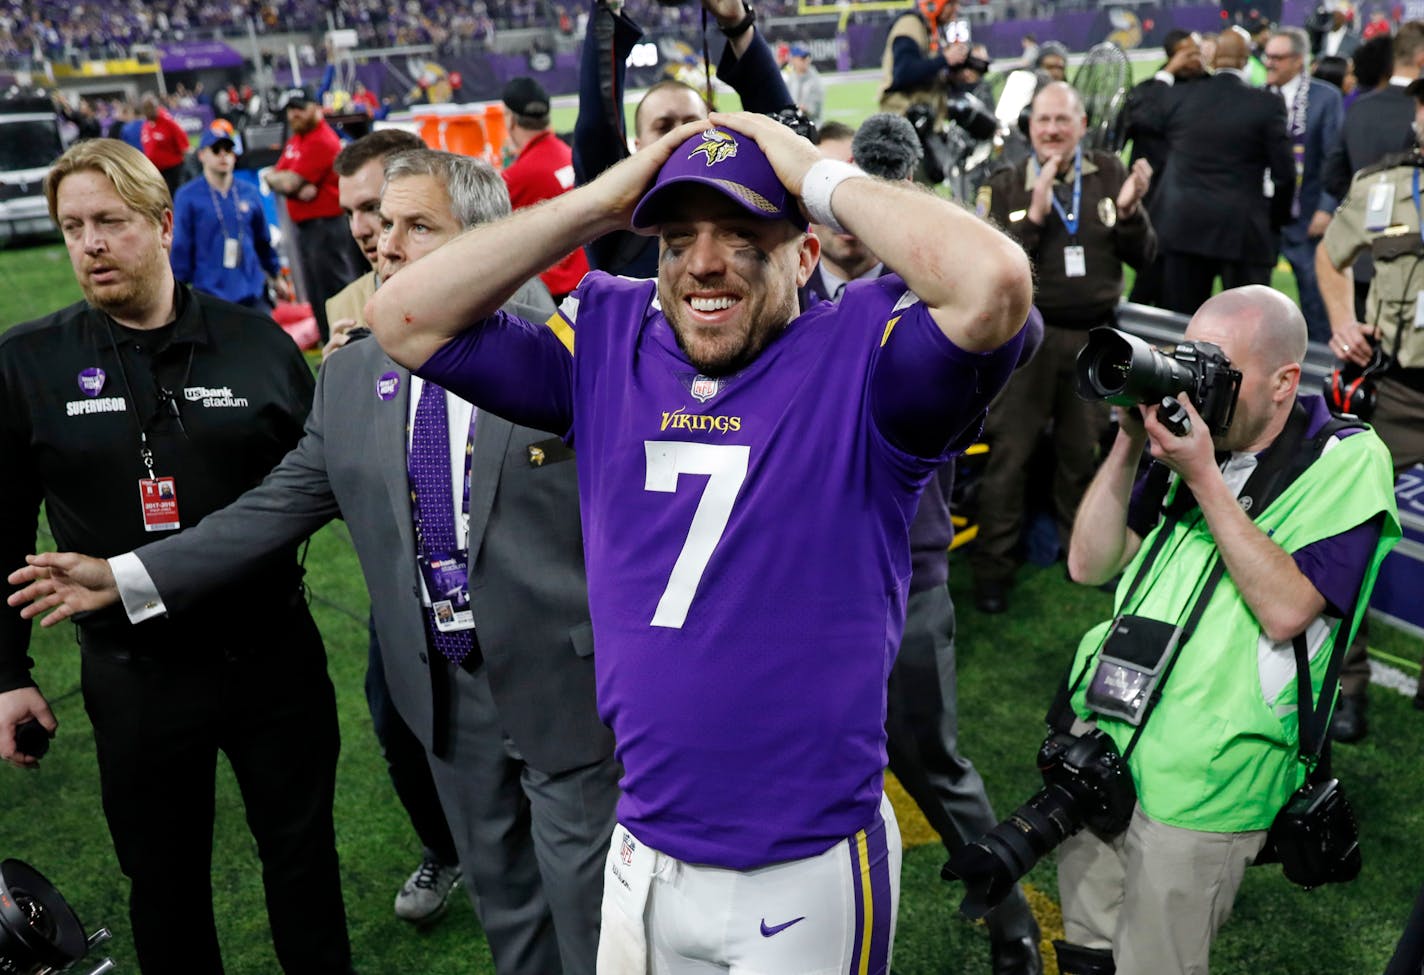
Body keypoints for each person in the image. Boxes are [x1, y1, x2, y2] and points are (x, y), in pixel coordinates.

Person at [364, 111, 1032, 974]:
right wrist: (597, 203)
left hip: (804, 863)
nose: (703, 263)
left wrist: (814, 174)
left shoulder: (865, 356)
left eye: (743, 236)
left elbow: (994, 282)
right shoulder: (611, 338)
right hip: (642, 846)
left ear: (804, 252)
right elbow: (404, 318)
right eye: (677, 239)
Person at [9, 149, 619, 975]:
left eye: (416, 226)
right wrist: (124, 575)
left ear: (486, 238)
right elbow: (273, 507)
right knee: (509, 913)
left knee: (600, 926)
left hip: (570, 691)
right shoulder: (356, 369)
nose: (383, 243)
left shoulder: (579, 344)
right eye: (380, 223)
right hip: (445, 695)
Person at [0, 138, 352, 974]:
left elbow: (322, 481)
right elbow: (2, 526)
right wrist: (8, 671)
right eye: (72, 226)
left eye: (110, 222)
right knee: (163, 881)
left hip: (274, 656)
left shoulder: (256, 343)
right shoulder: (26, 362)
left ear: (162, 224)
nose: (89, 243)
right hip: (135, 672)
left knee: (304, 865)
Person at [1056, 286, 1398, 975]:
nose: (1194, 384)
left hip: (1210, 783)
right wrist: (1128, 443)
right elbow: (1088, 563)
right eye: (1189, 362)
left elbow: (1288, 608)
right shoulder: (1188, 444)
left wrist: (1205, 476)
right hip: (1106, 739)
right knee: (1085, 951)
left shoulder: (1346, 459)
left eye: (1218, 369)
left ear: (1283, 382)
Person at [810, 113, 1046, 975]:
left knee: (932, 757)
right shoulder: (779, 290)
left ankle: (1005, 900)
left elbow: (1024, 325)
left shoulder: (936, 296)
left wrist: (905, 210)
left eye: (867, 195)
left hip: (908, 574)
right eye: (836, 190)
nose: (847, 214)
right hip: (798, 584)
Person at [324, 126, 465, 924]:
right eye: (354, 212)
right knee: (394, 712)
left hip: (489, 559)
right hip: (402, 568)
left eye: (380, 207)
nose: (367, 230)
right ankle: (445, 848)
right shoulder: (348, 305)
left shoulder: (504, 286)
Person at [972, 82, 1156, 615]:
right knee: (1010, 457)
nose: (1051, 130)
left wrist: (1129, 214)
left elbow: (1146, 257)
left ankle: (1085, 555)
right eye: (1043, 121)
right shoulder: (1008, 182)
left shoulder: (1110, 174)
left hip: (1095, 338)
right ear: (1030, 127)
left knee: (1084, 453)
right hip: (1027, 339)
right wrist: (1032, 215)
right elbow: (991, 271)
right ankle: (993, 568)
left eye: (1062, 120)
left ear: (1081, 124)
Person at [1315, 81, 1424, 740]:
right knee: (1348, 530)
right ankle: (1346, 683)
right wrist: (1342, 319)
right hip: (1397, 387)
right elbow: (1331, 257)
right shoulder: (1382, 185)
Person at [572, 0, 793, 279]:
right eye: (663, 126)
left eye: (691, 123)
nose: (679, 135)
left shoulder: (744, 195)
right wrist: (607, 10)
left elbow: (784, 137)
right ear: (636, 146)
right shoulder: (620, 215)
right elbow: (596, 128)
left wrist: (738, 23)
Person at [1153, 28, 1295, 316]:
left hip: (1183, 228)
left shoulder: (1178, 97)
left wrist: (1167, 72)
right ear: (1245, 60)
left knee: (1181, 327)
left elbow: (1141, 113)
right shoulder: (1266, 104)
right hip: (1243, 231)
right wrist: (1275, 223)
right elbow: (1285, 175)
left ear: (1214, 58)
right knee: (1249, 330)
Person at [1316, 21, 1422, 322]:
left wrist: (1362, 206)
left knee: (1365, 358)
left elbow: (1332, 175)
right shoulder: (1414, 110)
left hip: (1362, 254)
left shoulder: (1359, 107)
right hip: (1413, 265)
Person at [264, 87, 364, 342]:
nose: (294, 114)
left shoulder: (322, 140)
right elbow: (275, 176)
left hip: (328, 227)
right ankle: (330, 344)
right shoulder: (297, 140)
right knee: (316, 292)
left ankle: (352, 342)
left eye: (300, 108)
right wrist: (288, 183)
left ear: (316, 109)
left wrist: (287, 183)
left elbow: (287, 183)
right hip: (308, 229)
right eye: (291, 109)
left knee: (336, 289)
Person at [1266, 26, 1343, 344]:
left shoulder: (1325, 97)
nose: (1269, 63)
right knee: (1256, 303)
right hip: (1263, 217)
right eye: (1267, 56)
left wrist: (1326, 208)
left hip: (1307, 216)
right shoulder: (1259, 94)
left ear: (1298, 60)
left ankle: (1324, 371)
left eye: (1277, 58)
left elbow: (1334, 159)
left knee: (1315, 301)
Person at [1121, 29, 1205, 305]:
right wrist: (1169, 72)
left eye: (1198, 51)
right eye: (1188, 53)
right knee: (1150, 273)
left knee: (1184, 285)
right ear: (1173, 55)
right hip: (1153, 198)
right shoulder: (1149, 89)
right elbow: (1142, 118)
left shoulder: (1205, 87)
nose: (1196, 58)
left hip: (1191, 200)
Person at [171, 121, 289, 310]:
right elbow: (181, 247)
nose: (223, 155)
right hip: (211, 296)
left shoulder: (249, 192)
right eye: (216, 149)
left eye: (228, 149)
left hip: (253, 290)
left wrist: (276, 274)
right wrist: (177, 291)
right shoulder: (187, 196)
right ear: (202, 155)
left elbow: (262, 240)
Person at [326, 129, 427, 346]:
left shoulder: (482, 289)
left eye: (373, 208)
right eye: (349, 214)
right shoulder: (343, 306)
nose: (357, 230)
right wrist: (335, 376)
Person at [500, 76, 591, 302]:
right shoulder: (567, 153)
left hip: (550, 296)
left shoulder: (514, 177)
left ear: (510, 120)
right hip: (587, 280)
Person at [138, 93, 189, 196]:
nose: (146, 112)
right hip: (156, 173)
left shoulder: (169, 122)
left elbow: (185, 147)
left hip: (173, 172)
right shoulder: (146, 125)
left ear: (156, 107)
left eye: (149, 108)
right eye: (145, 109)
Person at [785, 42, 825, 125]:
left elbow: (813, 110)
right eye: (802, 58)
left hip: (812, 126)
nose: (806, 60)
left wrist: (795, 108)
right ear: (793, 59)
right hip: (792, 125)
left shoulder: (815, 80)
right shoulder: (789, 77)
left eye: (808, 57)